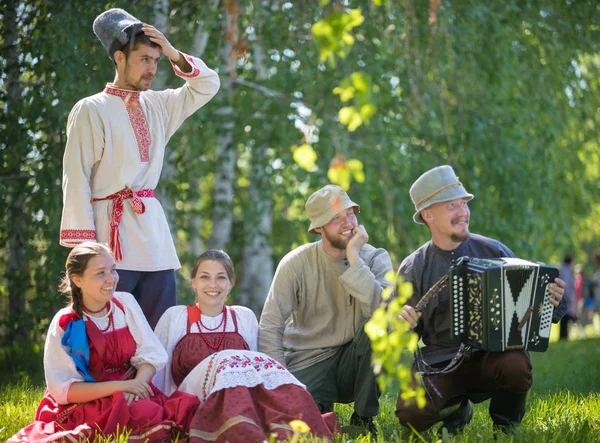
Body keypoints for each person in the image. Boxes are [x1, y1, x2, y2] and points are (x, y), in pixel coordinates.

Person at [59, 8, 220, 328]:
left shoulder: (159, 105)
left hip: (154, 240)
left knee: (161, 330)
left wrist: (173, 52)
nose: (152, 68)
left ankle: (156, 382)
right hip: (110, 242)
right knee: (108, 330)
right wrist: (88, 252)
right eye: (144, 59)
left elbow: (208, 84)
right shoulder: (91, 108)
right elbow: (76, 178)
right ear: (119, 58)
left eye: (156, 61)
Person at [394, 165, 567, 435]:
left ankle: (506, 424)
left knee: (515, 364)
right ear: (428, 214)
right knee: (409, 413)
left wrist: (554, 299)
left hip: (492, 358)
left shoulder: (494, 250)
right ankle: (457, 409)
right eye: (452, 205)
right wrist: (401, 324)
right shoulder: (414, 267)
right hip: (442, 363)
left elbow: (539, 305)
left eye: (464, 203)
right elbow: (403, 337)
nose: (463, 212)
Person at [8, 242, 199, 443]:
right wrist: (121, 387)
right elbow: (66, 391)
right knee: (145, 415)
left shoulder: (125, 304)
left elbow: (151, 355)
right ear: (77, 279)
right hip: (90, 400)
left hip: (133, 389)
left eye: (113, 270)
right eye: (100, 273)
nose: (111, 279)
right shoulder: (66, 323)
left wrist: (137, 386)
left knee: (179, 410)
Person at [153, 250, 340, 443]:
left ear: (231, 282)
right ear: (193, 282)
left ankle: (293, 421)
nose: (213, 285)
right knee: (228, 359)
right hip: (193, 403)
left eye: (221, 278)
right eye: (204, 277)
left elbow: (254, 372)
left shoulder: (243, 317)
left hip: (240, 402)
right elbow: (159, 374)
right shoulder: (176, 317)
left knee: (255, 364)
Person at [258, 185, 393, 436]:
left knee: (382, 321)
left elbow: (385, 311)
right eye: (335, 218)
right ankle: (318, 405)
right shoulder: (295, 263)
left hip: (356, 362)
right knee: (305, 426)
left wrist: (354, 258)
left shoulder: (375, 258)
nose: (347, 223)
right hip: (311, 361)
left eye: (350, 213)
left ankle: (364, 418)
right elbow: (270, 324)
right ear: (318, 228)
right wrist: (280, 384)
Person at [559, 255, 577, 339]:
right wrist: (569, 297)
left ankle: (564, 336)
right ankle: (564, 336)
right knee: (565, 318)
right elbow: (565, 285)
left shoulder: (564, 269)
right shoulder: (566, 270)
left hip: (564, 296)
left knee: (564, 318)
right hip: (565, 297)